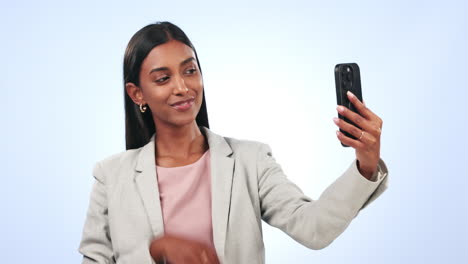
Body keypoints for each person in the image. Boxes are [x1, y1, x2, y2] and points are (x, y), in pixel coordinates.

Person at [78, 21, 389, 264]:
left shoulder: (249, 161)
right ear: (137, 94)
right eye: (163, 78)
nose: (183, 87)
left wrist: (366, 163)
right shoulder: (111, 176)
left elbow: (315, 228)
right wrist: (159, 248)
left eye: (190, 70)